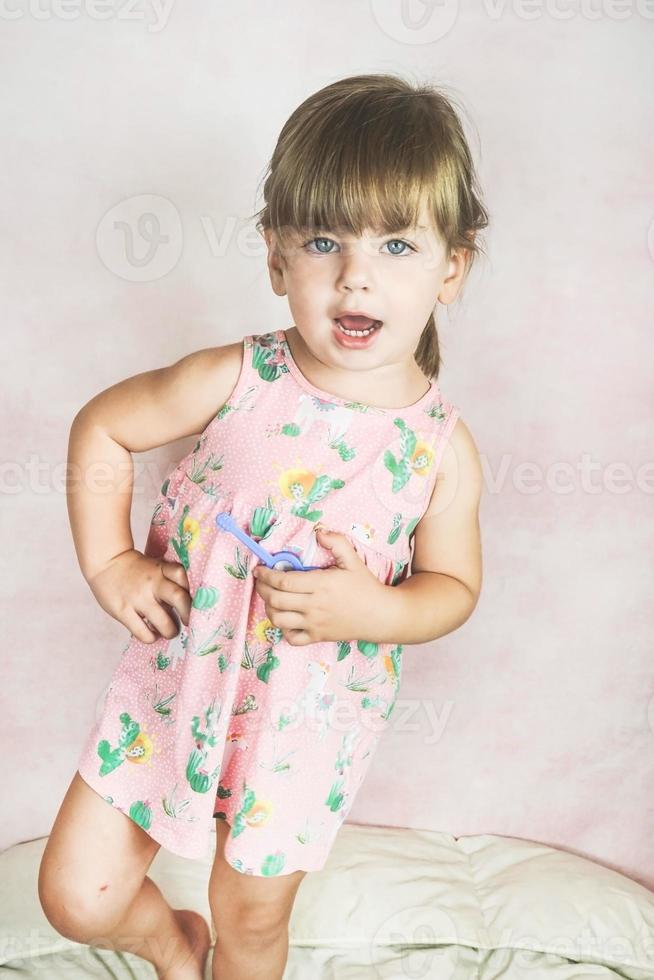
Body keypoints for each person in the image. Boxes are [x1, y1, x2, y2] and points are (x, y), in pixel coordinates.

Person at [38, 72, 486, 980]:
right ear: (277, 259)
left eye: (397, 244)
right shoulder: (238, 378)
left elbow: (454, 589)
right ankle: (172, 947)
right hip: (174, 691)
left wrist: (375, 610)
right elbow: (105, 428)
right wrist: (111, 563)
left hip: (302, 727)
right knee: (75, 897)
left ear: (451, 267)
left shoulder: (439, 448)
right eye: (324, 240)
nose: (356, 274)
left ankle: (218, 952)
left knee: (249, 923)